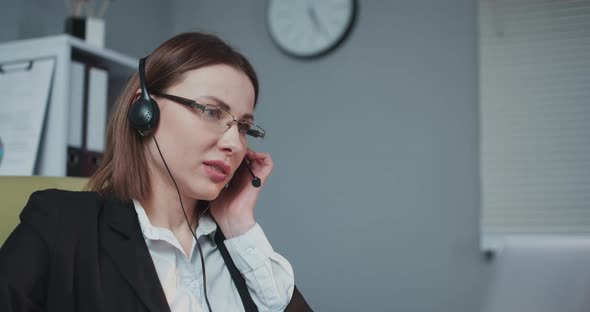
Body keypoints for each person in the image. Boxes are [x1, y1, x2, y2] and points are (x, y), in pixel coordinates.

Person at [0, 32, 309, 312]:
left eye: (243, 127)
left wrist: (238, 223)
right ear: (144, 110)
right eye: (211, 112)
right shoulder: (61, 224)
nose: (233, 143)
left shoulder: (240, 249)